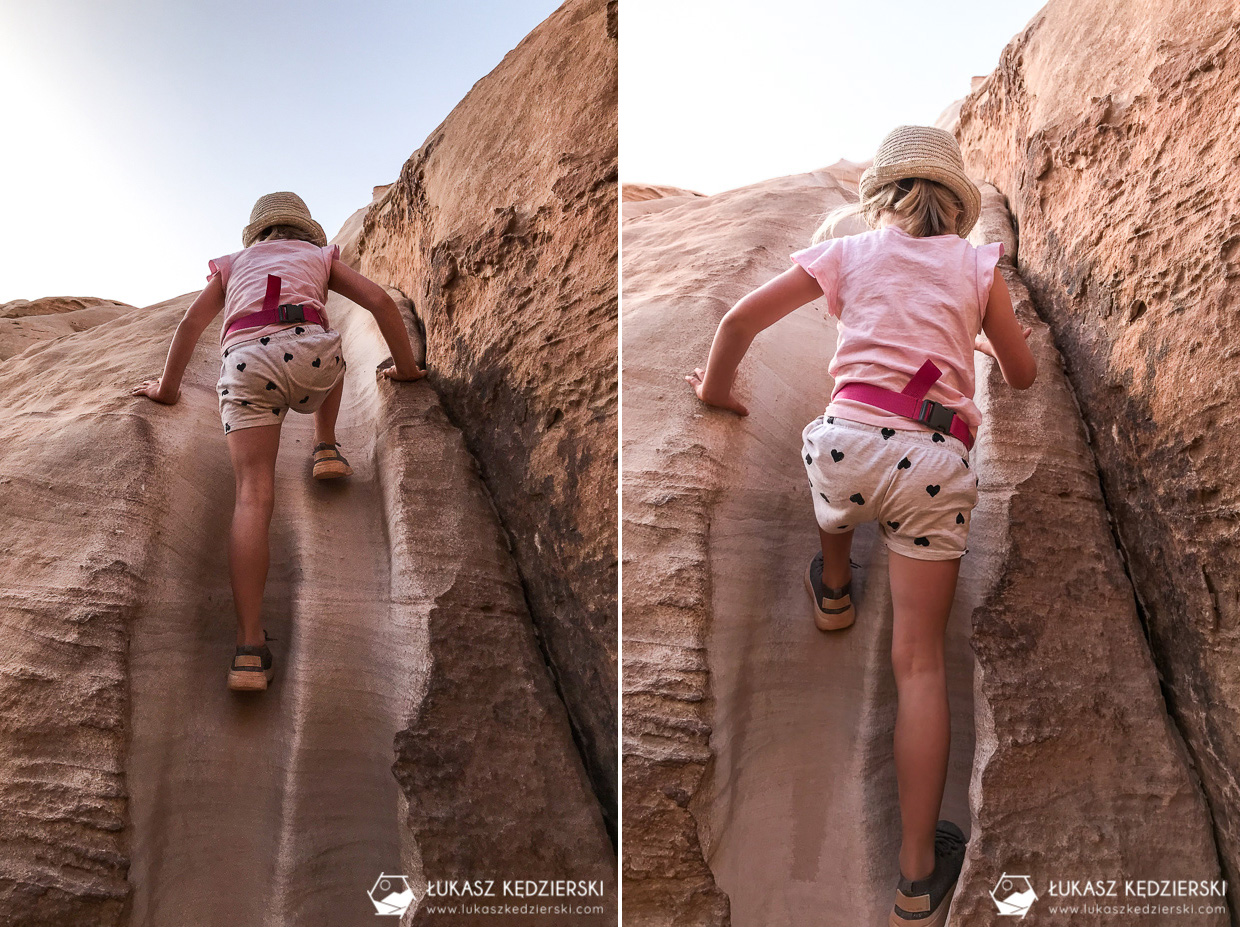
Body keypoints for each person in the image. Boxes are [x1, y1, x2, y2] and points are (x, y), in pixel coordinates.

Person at [686, 126, 1036, 927]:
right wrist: (975, 334)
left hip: (845, 446)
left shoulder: (846, 253)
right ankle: (916, 880)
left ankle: (835, 587)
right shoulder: (978, 265)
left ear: (880, 195)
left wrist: (714, 391)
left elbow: (739, 322)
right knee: (917, 663)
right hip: (932, 461)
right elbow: (1021, 373)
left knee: (835, 483)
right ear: (956, 205)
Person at [132, 191, 426, 693]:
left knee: (252, 494)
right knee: (331, 354)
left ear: (259, 234)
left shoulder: (231, 265)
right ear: (303, 232)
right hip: (310, 355)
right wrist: (406, 368)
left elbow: (190, 325)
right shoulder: (319, 256)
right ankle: (327, 446)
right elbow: (377, 300)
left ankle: (249, 648)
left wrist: (166, 390)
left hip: (245, 365)